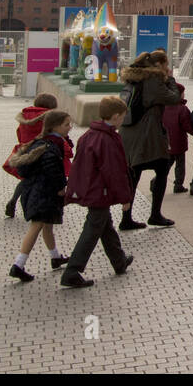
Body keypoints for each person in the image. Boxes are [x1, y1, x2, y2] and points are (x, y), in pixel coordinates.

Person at [61, 97, 135, 289]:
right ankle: (72, 271)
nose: (122, 122)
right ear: (116, 116)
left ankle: (119, 261)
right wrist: (124, 198)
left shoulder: (89, 135)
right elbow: (114, 172)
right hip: (100, 191)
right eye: (122, 118)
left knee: (104, 225)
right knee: (93, 229)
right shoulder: (108, 139)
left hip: (91, 189)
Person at [119, 50, 182, 230]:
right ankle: (155, 215)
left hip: (128, 132)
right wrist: (170, 79)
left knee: (134, 174)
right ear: (159, 65)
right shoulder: (153, 80)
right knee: (162, 168)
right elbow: (174, 98)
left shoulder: (134, 78)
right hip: (147, 134)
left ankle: (126, 217)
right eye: (166, 65)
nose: (168, 68)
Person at [6, 110, 71, 282]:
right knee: (37, 226)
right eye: (66, 124)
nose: (70, 127)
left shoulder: (41, 143)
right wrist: (61, 188)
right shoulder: (51, 146)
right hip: (43, 193)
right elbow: (53, 169)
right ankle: (18, 265)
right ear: (55, 127)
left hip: (36, 191)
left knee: (47, 224)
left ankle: (55, 257)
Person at [3, 93, 58, 218]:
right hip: (40, 150)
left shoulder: (24, 116)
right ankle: (34, 207)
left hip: (25, 149)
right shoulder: (49, 117)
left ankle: (14, 200)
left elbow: (19, 133)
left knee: (26, 178)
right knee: (36, 179)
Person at [163, 82, 193, 194]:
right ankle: (178, 185)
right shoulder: (182, 109)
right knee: (180, 165)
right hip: (179, 142)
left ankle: (155, 182)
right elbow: (187, 125)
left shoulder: (162, 108)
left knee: (166, 165)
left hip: (166, 142)